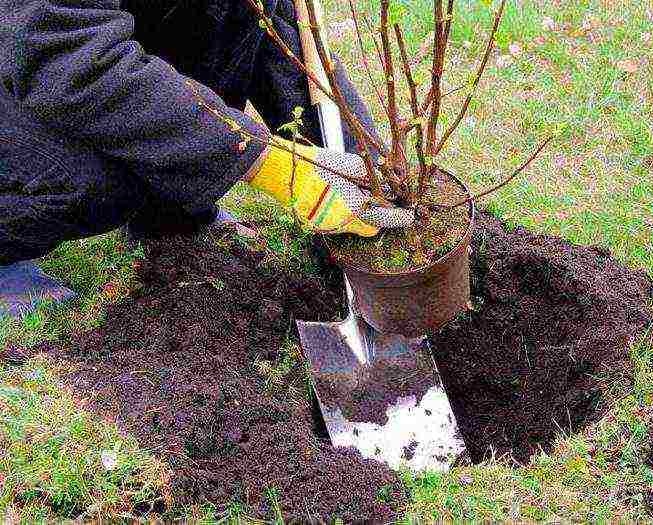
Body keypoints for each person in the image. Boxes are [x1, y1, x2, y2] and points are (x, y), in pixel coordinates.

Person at [0, 0, 413, 319]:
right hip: (32, 52)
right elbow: (63, 54)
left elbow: (276, 30)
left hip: (54, 49)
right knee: (99, 182)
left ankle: (171, 211)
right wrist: (259, 158)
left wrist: (364, 170)